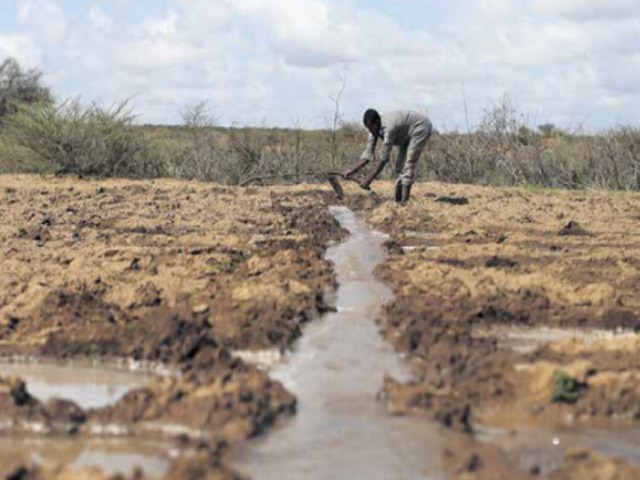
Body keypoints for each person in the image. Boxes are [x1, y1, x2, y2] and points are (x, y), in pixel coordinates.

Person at [343, 108, 433, 203]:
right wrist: (351, 170)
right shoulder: (373, 129)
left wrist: (369, 179)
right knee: (398, 166)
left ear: (377, 122)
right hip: (405, 134)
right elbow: (367, 155)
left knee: (409, 163)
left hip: (420, 127)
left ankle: (404, 204)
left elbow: (383, 158)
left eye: (371, 127)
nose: (370, 131)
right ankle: (398, 201)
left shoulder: (389, 129)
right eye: (368, 128)